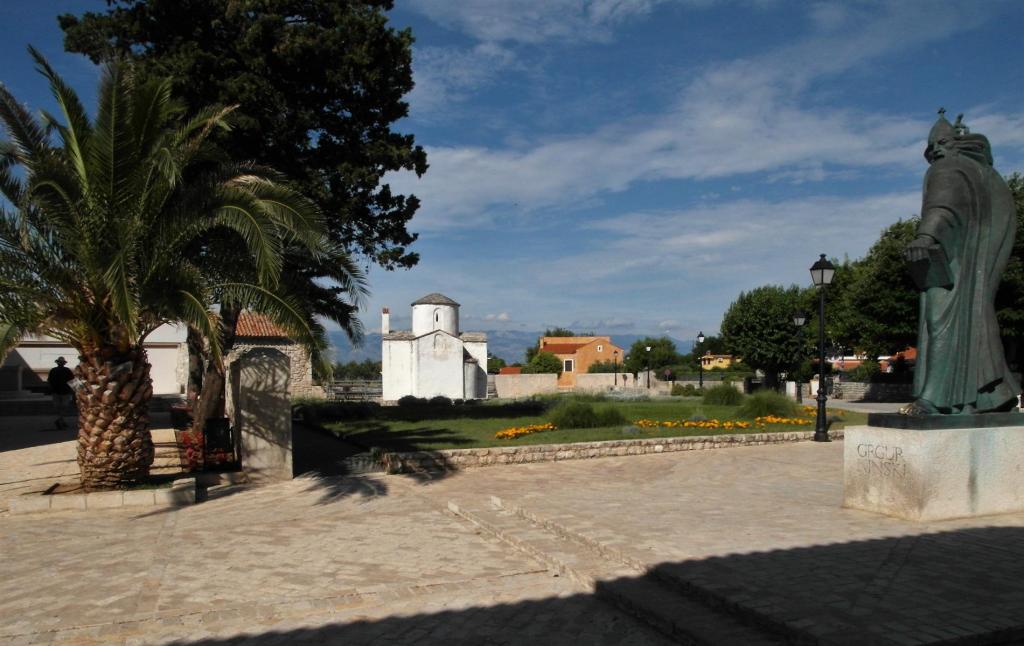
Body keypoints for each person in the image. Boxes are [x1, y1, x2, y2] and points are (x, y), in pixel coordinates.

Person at [904, 110, 1020, 414]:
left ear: (955, 141)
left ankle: (936, 399)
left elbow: (943, 207)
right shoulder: (986, 175)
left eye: (940, 142)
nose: (936, 151)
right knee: (975, 319)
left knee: (939, 322)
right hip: (971, 262)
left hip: (950, 259)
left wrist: (925, 237)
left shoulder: (947, 169)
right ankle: (985, 397)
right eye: (931, 148)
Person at [47, 357, 75, 429]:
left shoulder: (53, 370)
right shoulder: (67, 370)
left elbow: (49, 381)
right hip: (64, 391)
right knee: (64, 406)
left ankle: (60, 420)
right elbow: (72, 381)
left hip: (56, 391)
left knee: (59, 407)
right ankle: (61, 420)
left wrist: (50, 389)